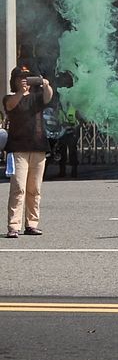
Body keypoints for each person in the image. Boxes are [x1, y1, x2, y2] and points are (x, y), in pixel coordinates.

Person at [5, 64, 53, 238]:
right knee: (18, 188)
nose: (24, 80)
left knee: (34, 189)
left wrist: (46, 85)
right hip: (18, 149)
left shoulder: (37, 97)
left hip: (38, 148)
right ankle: (13, 226)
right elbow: (10, 106)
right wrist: (20, 92)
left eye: (27, 77)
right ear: (15, 81)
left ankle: (32, 224)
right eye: (21, 77)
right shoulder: (10, 97)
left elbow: (48, 97)